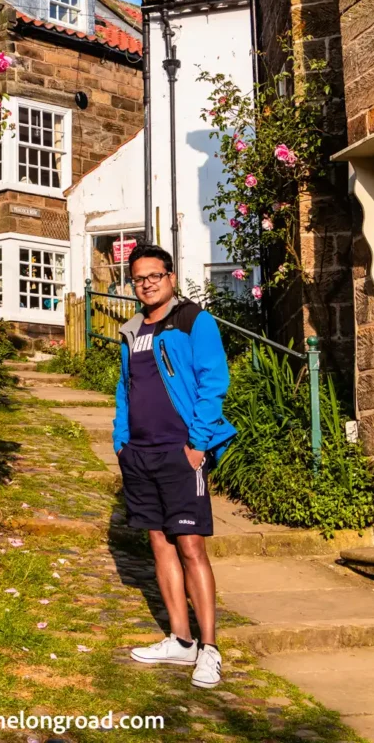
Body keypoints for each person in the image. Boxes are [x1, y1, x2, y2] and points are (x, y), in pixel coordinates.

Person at [112, 243, 236, 689]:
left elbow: (213, 381)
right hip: (139, 454)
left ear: (170, 276)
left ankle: (210, 649)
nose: (146, 284)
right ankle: (181, 641)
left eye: (154, 276)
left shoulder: (193, 321)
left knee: (190, 547)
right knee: (160, 544)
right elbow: (126, 389)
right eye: (138, 278)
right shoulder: (130, 331)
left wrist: (198, 444)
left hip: (181, 451)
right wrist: (120, 441)